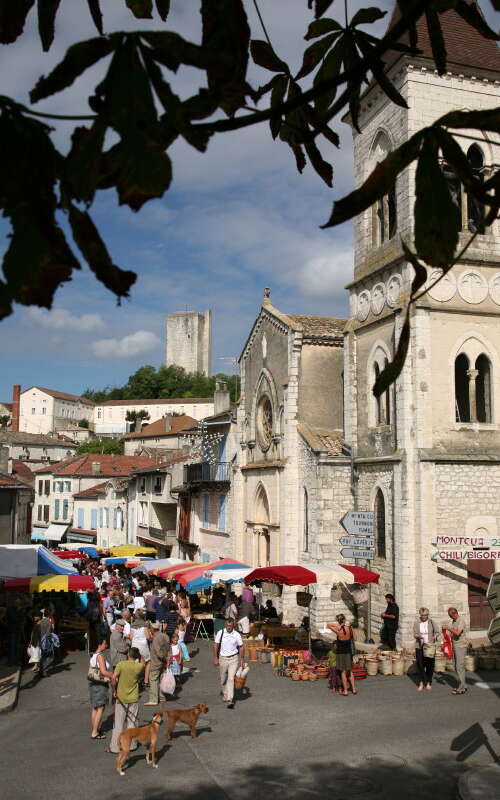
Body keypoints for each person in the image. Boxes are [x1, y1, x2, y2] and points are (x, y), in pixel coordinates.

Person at [108, 647, 145, 754]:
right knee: (132, 722)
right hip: (133, 697)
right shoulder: (139, 666)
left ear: (128, 654)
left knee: (118, 724)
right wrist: (140, 655)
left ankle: (115, 747)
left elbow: (114, 678)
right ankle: (132, 745)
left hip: (121, 697)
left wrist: (114, 690)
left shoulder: (121, 664)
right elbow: (143, 662)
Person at [213, 618, 244, 709]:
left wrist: (242, 659)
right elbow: (216, 645)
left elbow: (241, 647)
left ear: (233, 625)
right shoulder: (220, 633)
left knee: (230, 679)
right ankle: (225, 694)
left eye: (230, 626)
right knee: (223, 679)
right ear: (225, 625)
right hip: (223, 658)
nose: (228, 627)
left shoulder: (237, 634)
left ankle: (230, 699)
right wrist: (215, 658)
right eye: (227, 626)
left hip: (234, 659)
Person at [88, 635, 114, 739]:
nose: (106, 645)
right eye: (105, 643)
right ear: (100, 645)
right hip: (100, 684)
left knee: (95, 707)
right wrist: (113, 674)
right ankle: (95, 732)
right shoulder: (100, 656)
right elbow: (103, 671)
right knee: (101, 708)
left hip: (93, 683)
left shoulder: (94, 655)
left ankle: (95, 728)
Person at [327, 614, 356, 696]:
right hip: (348, 652)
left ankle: (346, 691)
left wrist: (338, 625)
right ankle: (354, 689)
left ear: (338, 621)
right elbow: (355, 638)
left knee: (343, 672)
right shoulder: (350, 629)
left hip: (340, 653)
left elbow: (328, 625)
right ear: (345, 619)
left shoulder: (338, 630)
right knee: (350, 671)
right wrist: (344, 625)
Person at [442, 607, 469, 695]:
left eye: (450, 616)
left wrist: (449, 628)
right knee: (456, 665)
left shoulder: (461, 621)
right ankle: (463, 685)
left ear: (454, 614)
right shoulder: (454, 621)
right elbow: (453, 633)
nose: (450, 617)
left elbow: (457, 633)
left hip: (461, 646)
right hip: (455, 645)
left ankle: (461, 688)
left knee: (459, 666)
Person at [413, 607, 438, 691]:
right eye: (423, 615)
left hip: (429, 646)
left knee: (430, 665)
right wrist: (419, 637)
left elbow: (437, 631)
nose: (424, 617)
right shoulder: (417, 622)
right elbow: (415, 634)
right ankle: (422, 682)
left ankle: (428, 682)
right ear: (420, 615)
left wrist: (435, 636)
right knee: (420, 665)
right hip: (420, 646)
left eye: (426, 615)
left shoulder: (431, 622)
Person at [145, 622, 169, 706]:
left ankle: (153, 699)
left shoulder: (156, 638)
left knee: (153, 679)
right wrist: (167, 659)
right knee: (161, 679)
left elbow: (158, 652)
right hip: (164, 662)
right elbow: (168, 648)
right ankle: (162, 697)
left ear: (153, 629)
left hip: (156, 661)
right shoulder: (165, 636)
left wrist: (163, 658)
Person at [130, 610, 151, 685]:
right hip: (143, 645)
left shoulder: (132, 625)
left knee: (136, 662)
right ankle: (146, 680)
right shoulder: (145, 625)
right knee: (148, 662)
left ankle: (135, 680)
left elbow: (131, 637)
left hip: (135, 644)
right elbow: (148, 637)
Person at [6, 597, 25, 666]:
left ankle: (16, 661)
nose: (18, 604)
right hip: (12, 630)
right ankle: (11, 662)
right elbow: (14, 619)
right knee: (12, 646)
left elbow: (22, 618)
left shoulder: (20, 609)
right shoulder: (10, 609)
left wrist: (19, 612)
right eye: (17, 602)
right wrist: (18, 611)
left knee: (17, 646)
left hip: (18, 630)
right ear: (14, 603)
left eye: (19, 603)